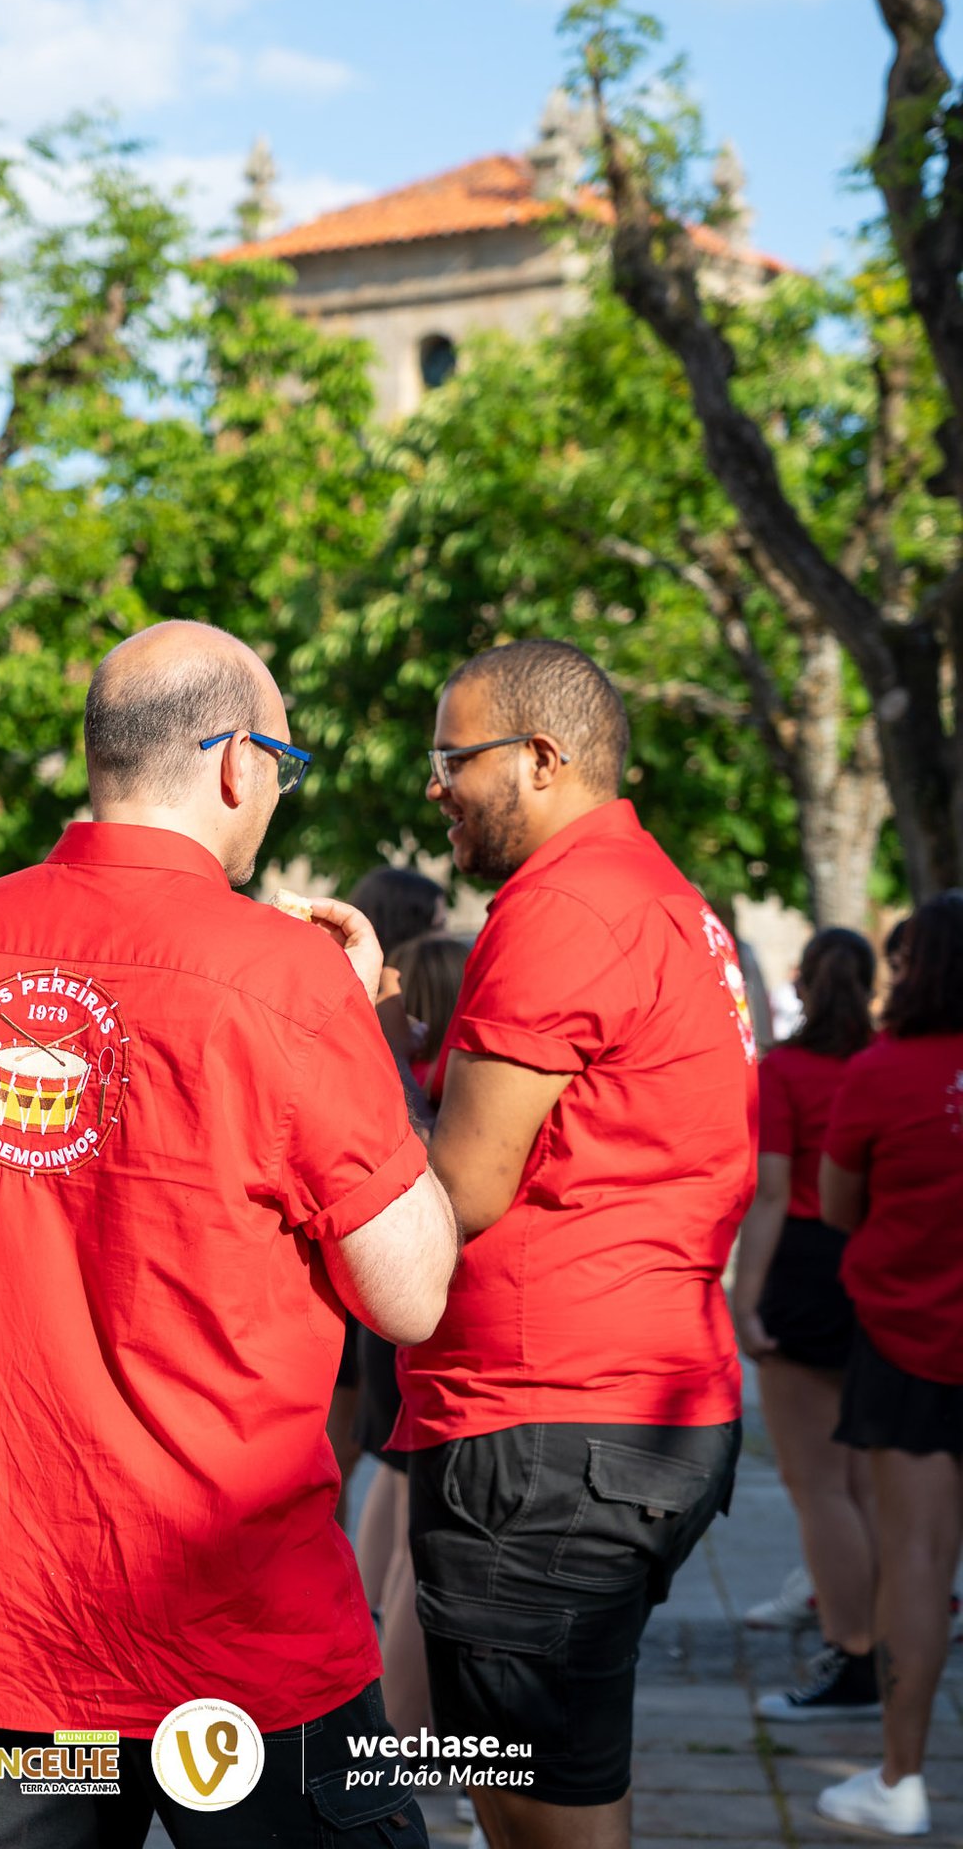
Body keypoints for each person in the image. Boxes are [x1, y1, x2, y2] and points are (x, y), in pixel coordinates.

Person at [0, 621, 459, 1849]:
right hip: (234, 1628)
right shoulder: (287, 979)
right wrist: (368, 1032)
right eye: (285, 761)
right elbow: (413, 1289)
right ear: (235, 764)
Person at [391, 640, 755, 1849]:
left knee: (536, 1807)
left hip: (548, 1429)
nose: (433, 785)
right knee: (563, 1775)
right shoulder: (657, 892)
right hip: (637, 1407)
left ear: (542, 759)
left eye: (453, 756)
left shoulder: (559, 905)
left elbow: (466, 1185)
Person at [815, 890, 963, 1839]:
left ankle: (901, 1780)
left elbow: (837, 1208)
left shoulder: (882, 1073)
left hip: (913, 1341)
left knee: (916, 1556)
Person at [729, 930, 881, 1719]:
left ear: (806, 985)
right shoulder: (880, 1061)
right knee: (858, 1481)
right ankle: (878, 1642)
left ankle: (856, 1655)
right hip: (872, 1262)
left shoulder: (784, 1069)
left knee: (817, 1485)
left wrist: (743, 1299)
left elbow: (774, 1190)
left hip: (804, 1265)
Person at [354, 932, 470, 1740]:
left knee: (393, 1491)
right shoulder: (432, 1091)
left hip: (390, 1328)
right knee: (414, 1533)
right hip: (427, 1323)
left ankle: (378, 1697)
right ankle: (397, 1732)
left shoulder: (414, 1078)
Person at [328, 867, 448, 1515]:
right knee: (344, 1441)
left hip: (351, 1235)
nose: (445, 928)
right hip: (368, 1225)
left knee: (342, 1442)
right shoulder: (383, 1001)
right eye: (434, 918)